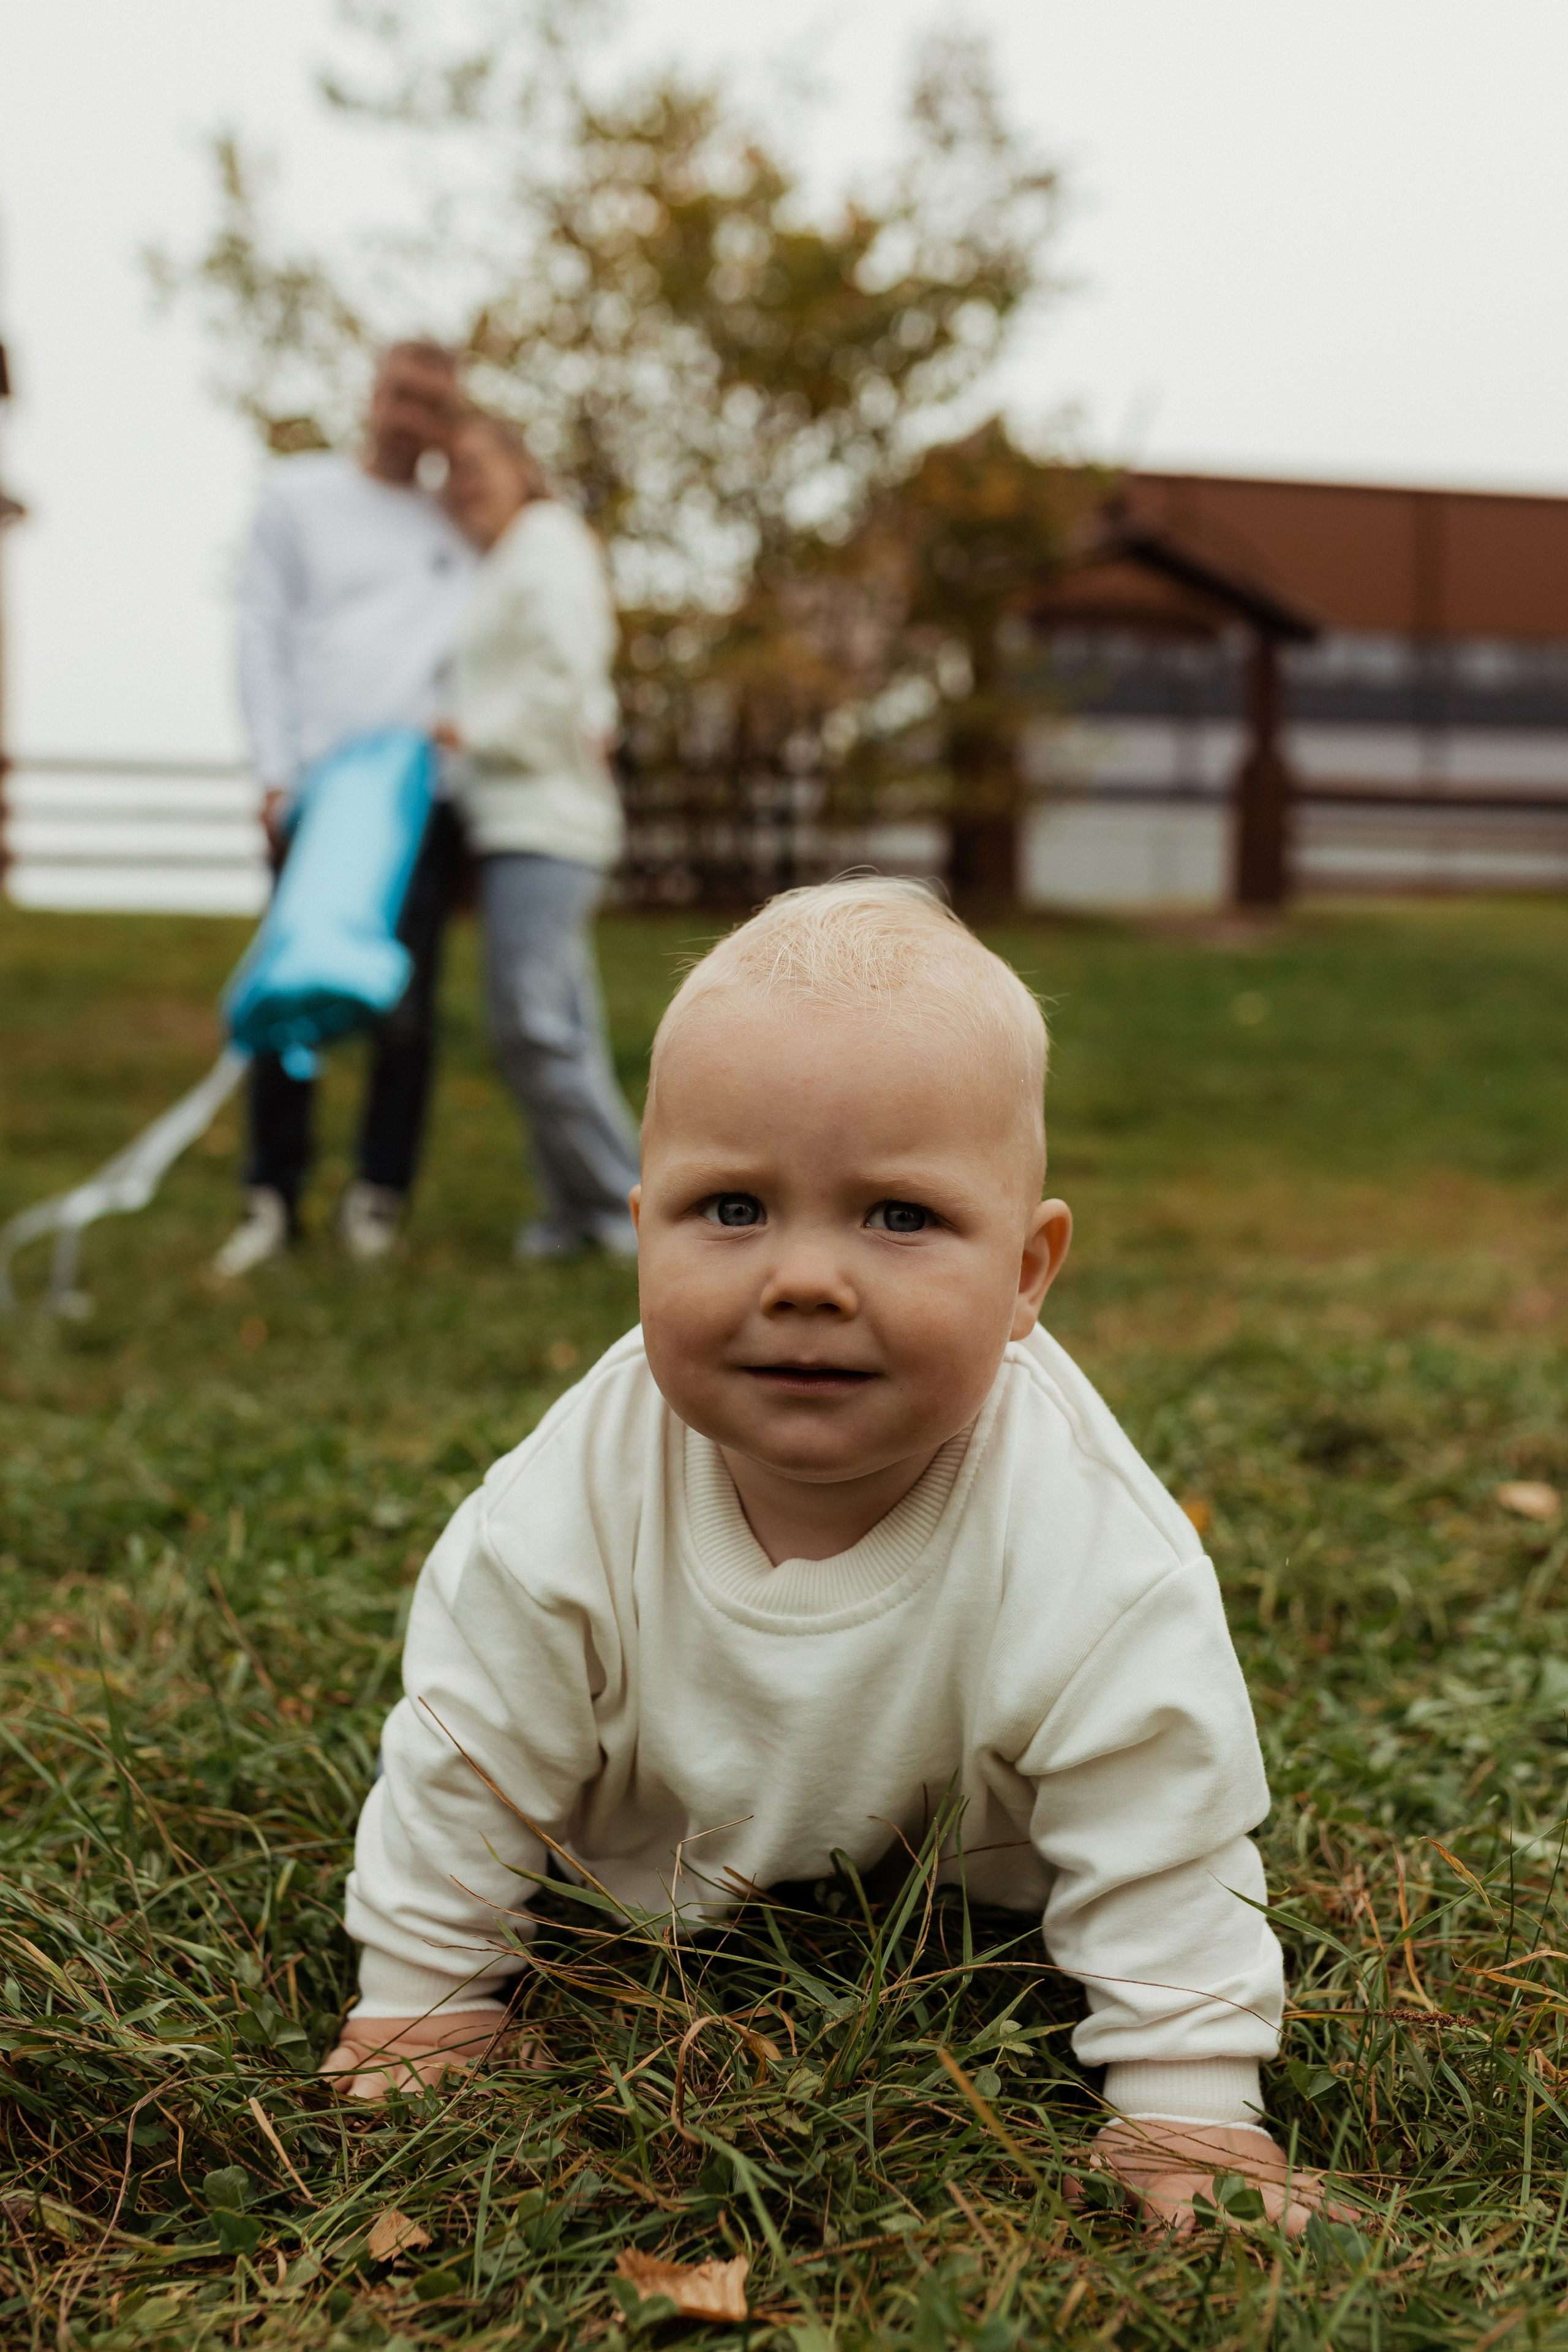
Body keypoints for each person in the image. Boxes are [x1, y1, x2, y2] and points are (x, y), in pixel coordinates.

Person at [322, 877, 1340, 2238]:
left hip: (970, 1870)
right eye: (731, 1209)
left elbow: (1162, 1826)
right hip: (650, 1855)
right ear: (641, 1235)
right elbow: (469, 1750)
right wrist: (424, 2010)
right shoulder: (564, 1505)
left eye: (898, 1217)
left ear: (1028, 1273)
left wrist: (1186, 2109)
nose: (804, 1278)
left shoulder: (1093, 1549)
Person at [213, 342, 478, 1278]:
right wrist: (275, 772)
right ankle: (271, 1196)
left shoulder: (459, 525)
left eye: (434, 405)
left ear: (450, 420)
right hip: (322, 800)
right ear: (373, 395)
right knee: (294, 987)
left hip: (422, 801)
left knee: (406, 1004)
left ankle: (379, 1195)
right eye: (402, 395)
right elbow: (262, 631)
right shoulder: (298, 501)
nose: (413, 417)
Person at [437, 407, 639, 1260]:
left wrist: (473, 734)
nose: (466, 481)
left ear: (524, 465)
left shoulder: (547, 542)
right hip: (517, 818)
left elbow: (566, 673)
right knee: (558, 1026)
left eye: (480, 461)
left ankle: (631, 1211)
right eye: (452, 469)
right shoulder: (507, 560)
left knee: (532, 1023)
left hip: (546, 823)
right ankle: (581, 1211)